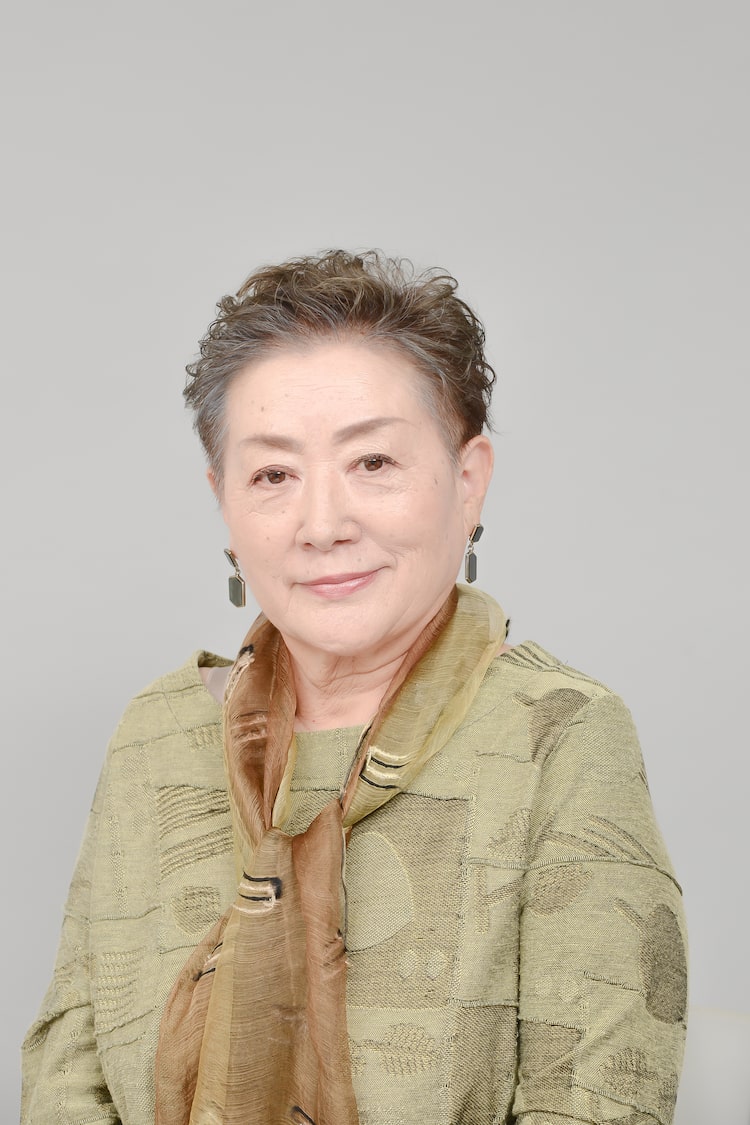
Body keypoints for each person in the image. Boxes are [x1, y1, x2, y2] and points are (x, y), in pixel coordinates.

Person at [21, 250, 687, 1125]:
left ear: (469, 480)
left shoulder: (556, 734)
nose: (323, 524)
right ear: (224, 503)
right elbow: (67, 1076)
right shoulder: (159, 729)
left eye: (372, 462)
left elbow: (595, 1106)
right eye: (273, 475)